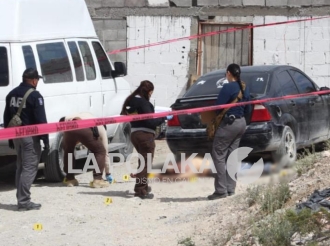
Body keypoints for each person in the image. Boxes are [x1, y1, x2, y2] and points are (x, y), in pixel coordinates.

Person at [3, 68, 49, 211]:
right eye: (38, 80)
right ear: (34, 80)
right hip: (30, 137)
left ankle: (21, 199)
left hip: (17, 135)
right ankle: (24, 201)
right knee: (29, 167)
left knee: (21, 166)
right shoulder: (35, 96)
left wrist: (9, 136)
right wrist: (45, 140)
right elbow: (41, 120)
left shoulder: (11, 94)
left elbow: (6, 117)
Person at [208, 63, 251, 200]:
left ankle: (221, 190)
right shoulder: (244, 87)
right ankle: (230, 188)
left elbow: (218, 107)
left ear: (228, 73)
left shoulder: (227, 87)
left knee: (218, 155)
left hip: (229, 123)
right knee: (232, 156)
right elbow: (248, 108)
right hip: (241, 123)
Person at [121, 80, 165, 199]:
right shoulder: (144, 103)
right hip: (145, 135)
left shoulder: (130, 100)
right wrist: (163, 117)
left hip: (134, 134)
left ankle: (144, 186)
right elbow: (150, 121)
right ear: (149, 91)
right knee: (146, 163)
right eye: (151, 92)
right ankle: (140, 190)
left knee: (143, 161)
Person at [59, 113, 110, 188]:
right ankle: (98, 180)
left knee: (69, 151)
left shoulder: (81, 115)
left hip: (69, 126)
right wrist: (108, 173)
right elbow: (105, 153)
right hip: (82, 125)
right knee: (100, 151)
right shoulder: (102, 129)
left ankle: (70, 179)